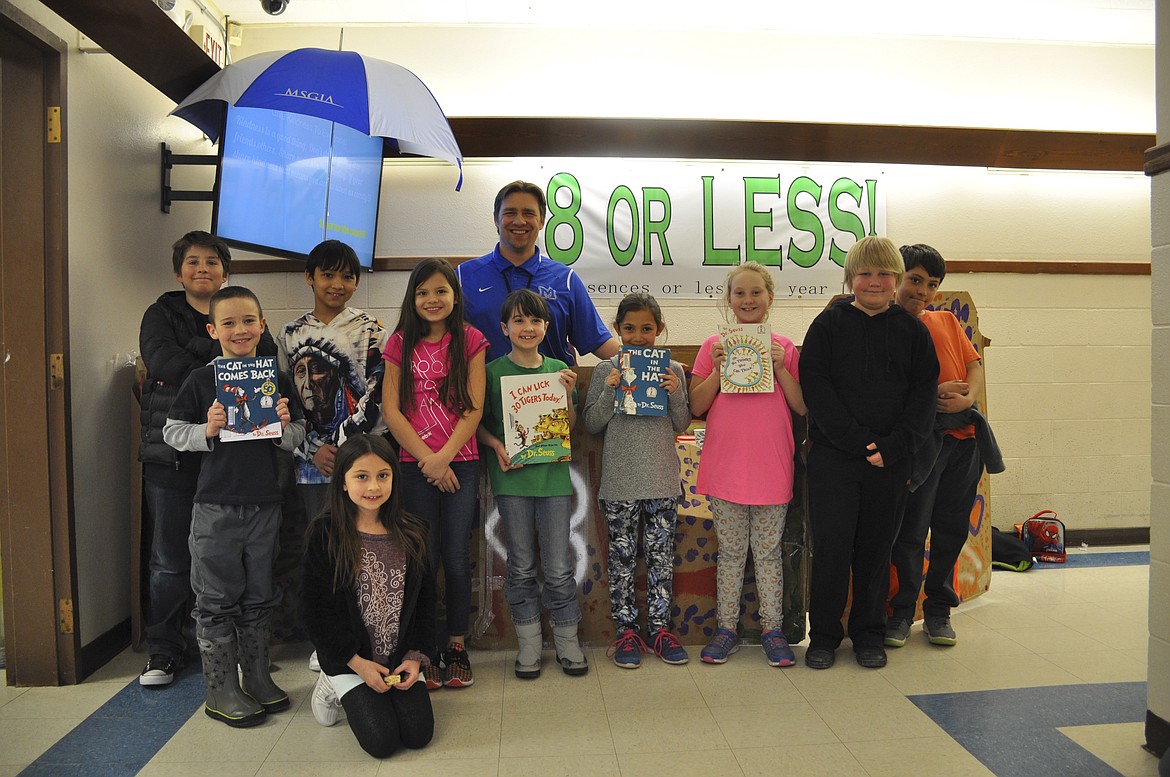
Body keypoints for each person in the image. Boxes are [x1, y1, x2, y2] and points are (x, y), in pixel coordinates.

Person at [137, 230, 277, 687]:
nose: (204, 269)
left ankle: (239, 654)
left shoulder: (245, 314)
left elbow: (266, 366)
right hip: (174, 457)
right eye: (194, 262)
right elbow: (164, 362)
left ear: (226, 270)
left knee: (239, 565)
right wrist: (218, 359)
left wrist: (229, 359)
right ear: (179, 272)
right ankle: (164, 650)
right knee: (170, 560)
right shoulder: (161, 313)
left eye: (213, 262)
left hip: (235, 465)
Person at [163, 286, 306, 726]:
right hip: (215, 507)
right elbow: (170, 432)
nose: (240, 330)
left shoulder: (276, 379)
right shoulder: (201, 380)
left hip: (265, 504)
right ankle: (221, 690)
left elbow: (298, 435)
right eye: (228, 323)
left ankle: (258, 678)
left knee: (261, 594)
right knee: (216, 598)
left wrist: (284, 425)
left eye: (248, 321)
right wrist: (206, 429)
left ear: (262, 325)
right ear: (213, 330)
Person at [799, 236, 939, 670]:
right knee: (832, 550)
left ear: (895, 279)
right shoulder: (827, 325)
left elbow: (923, 397)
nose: (875, 282)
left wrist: (894, 447)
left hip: (891, 464)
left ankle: (869, 634)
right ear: (850, 278)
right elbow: (817, 390)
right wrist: (860, 443)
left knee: (876, 552)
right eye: (865, 273)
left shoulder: (913, 331)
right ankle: (823, 635)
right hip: (834, 461)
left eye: (883, 273)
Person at [687, 262, 807, 667]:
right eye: (740, 293)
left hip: (772, 469)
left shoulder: (785, 348)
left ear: (770, 298)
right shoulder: (712, 347)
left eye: (756, 292)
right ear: (728, 300)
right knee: (732, 555)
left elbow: (801, 405)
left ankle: (773, 631)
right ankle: (726, 630)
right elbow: (697, 405)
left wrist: (778, 367)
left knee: (769, 555)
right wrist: (720, 369)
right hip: (726, 470)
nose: (748, 300)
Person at [885, 244, 1002, 649]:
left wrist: (969, 397)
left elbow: (974, 364)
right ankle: (902, 611)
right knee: (911, 532)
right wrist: (929, 396)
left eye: (931, 284)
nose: (922, 291)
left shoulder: (946, 320)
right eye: (915, 280)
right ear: (895, 278)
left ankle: (938, 610)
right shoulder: (886, 326)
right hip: (921, 443)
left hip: (963, 442)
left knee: (951, 530)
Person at [381, 257, 488, 689]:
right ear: (413, 298)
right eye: (423, 292)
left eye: (441, 291)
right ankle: (423, 647)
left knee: (457, 558)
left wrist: (445, 457)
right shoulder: (399, 343)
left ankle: (457, 647)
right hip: (414, 466)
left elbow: (474, 407)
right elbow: (391, 410)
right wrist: (429, 459)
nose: (432, 299)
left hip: (460, 463)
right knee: (420, 558)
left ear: (454, 296)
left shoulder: (472, 340)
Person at [302, 434, 436, 759]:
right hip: (351, 658)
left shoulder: (413, 531)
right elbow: (313, 610)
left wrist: (415, 657)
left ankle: (381, 692)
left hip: (397, 655)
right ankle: (328, 681)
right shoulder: (325, 534)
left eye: (383, 475)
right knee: (382, 742)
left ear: (394, 478)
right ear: (344, 483)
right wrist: (357, 664)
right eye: (362, 476)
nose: (373, 486)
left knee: (418, 735)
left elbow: (427, 603)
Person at [477, 289, 588, 679]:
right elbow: (476, 424)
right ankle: (529, 646)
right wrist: (495, 445)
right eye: (519, 321)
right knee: (521, 566)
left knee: (559, 568)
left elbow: (568, 427)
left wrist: (570, 396)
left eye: (536, 320)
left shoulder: (559, 369)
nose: (528, 328)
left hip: (554, 482)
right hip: (511, 483)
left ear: (546, 326)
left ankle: (567, 643)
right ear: (504, 328)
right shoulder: (491, 373)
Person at [583, 293, 692, 668]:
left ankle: (660, 629)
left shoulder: (673, 371)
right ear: (617, 329)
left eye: (647, 328)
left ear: (659, 330)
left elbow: (681, 424)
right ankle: (627, 632)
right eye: (629, 328)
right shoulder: (604, 371)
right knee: (623, 560)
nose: (639, 336)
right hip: (620, 484)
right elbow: (591, 424)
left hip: (662, 481)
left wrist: (675, 394)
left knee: (661, 560)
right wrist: (611, 388)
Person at [278, 240, 389, 523]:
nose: (337, 284)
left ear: (357, 282)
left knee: (364, 539)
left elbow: (379, 393)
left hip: (364, 457)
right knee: (320, 541)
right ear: (309, 277)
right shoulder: (290, 335)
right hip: (313, 462)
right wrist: (312, 449)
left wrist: (349, 446)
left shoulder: (371, 329)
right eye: (328, 275)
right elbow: (285, 400)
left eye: (347, 276)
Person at [456, 179, 619, 364]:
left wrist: (648, 367)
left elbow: (599, 341)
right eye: (510, 213)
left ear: (541, 221)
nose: (519, 221)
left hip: (551, 391)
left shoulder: (565, 279)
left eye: (528, 213)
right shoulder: (464, 277)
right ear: (496, 219)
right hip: (485, 391)